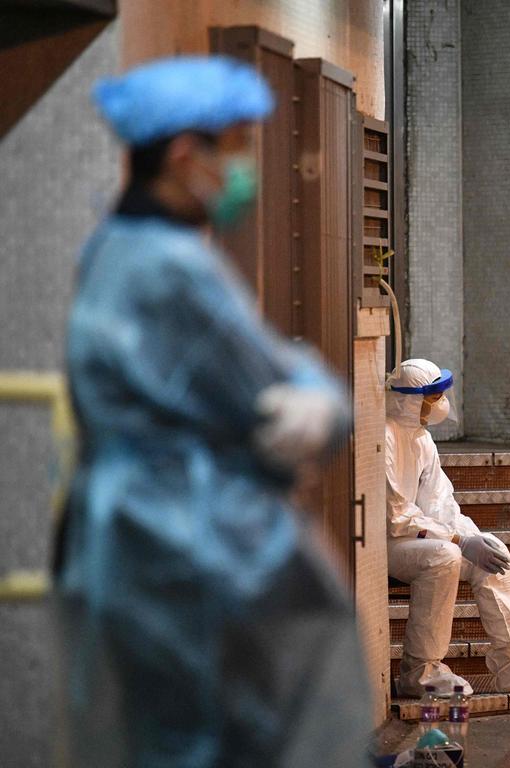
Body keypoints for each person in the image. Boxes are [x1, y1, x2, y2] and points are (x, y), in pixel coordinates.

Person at [55, 56, 370, 767]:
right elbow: (258, 391)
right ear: (184, 154)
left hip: (132, 546)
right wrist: (320, 403)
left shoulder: (111, 248)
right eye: (235, 146)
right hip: (189, 548)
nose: (245, 166)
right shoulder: (172, 268)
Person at [385, 359, 510, 697]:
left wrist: (472, 536)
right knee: (445, 557)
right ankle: (420, 671)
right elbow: (396, 516)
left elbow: (440, 502)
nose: (441, 404)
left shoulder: (421, 440)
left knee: (491, 548)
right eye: (433, 397)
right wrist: (458, 540)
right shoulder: (384, 436)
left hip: (422, 539)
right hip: (384, 544)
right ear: (408, 399)